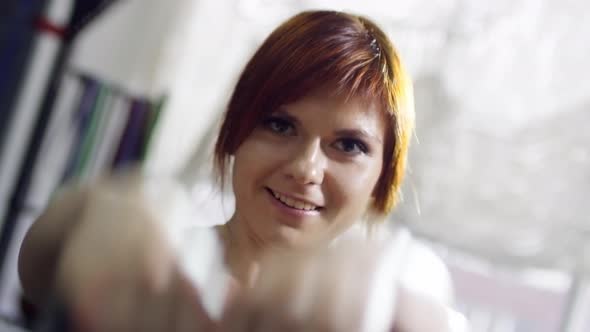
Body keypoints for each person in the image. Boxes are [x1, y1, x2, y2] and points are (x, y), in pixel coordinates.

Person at [18, 10, 454, 331]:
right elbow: (39, 264)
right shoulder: (156, 273)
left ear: (383, 176)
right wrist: (82, 216)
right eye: (280, 125)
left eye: (349, 145)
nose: (306, 168)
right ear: (234, 136)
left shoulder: (390, 301)